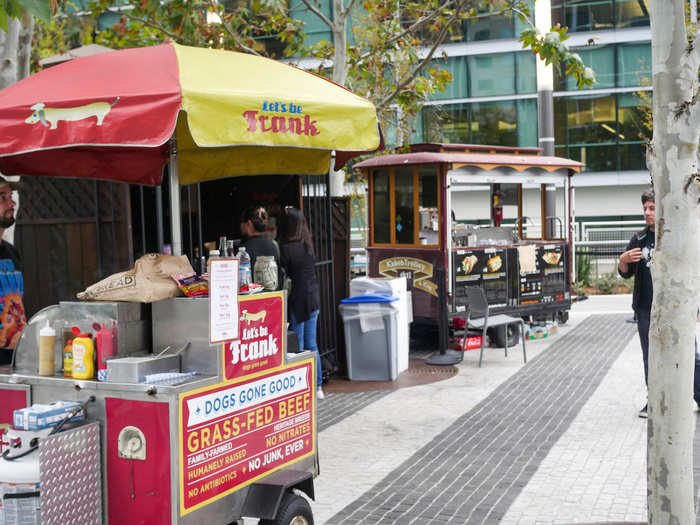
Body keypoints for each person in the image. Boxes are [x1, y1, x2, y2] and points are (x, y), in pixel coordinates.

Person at [618, 189, 700, 418]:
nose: (647, 212)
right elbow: (625, 273)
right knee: (651, 356)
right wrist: (622, 260)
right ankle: (654, 401)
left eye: (652, 208)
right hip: (646, 309)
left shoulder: (677, 235)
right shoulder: (639, 239)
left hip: (677, 308)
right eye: (645, 208)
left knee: (688, 355)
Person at [278, 207, 324, 399]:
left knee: (298, 345)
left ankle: (301, 389)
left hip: (297, 299)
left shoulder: (286, 248)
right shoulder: (308, 245)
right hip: (313, 298)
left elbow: (283, 275)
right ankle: (318, 386)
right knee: (312, 344)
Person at [240, 206, 280, 287]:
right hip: (272, 294)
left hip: (252, 297)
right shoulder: (273, 245)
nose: (240, 226)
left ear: (249, 224)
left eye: (241, 222)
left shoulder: (243, 250)